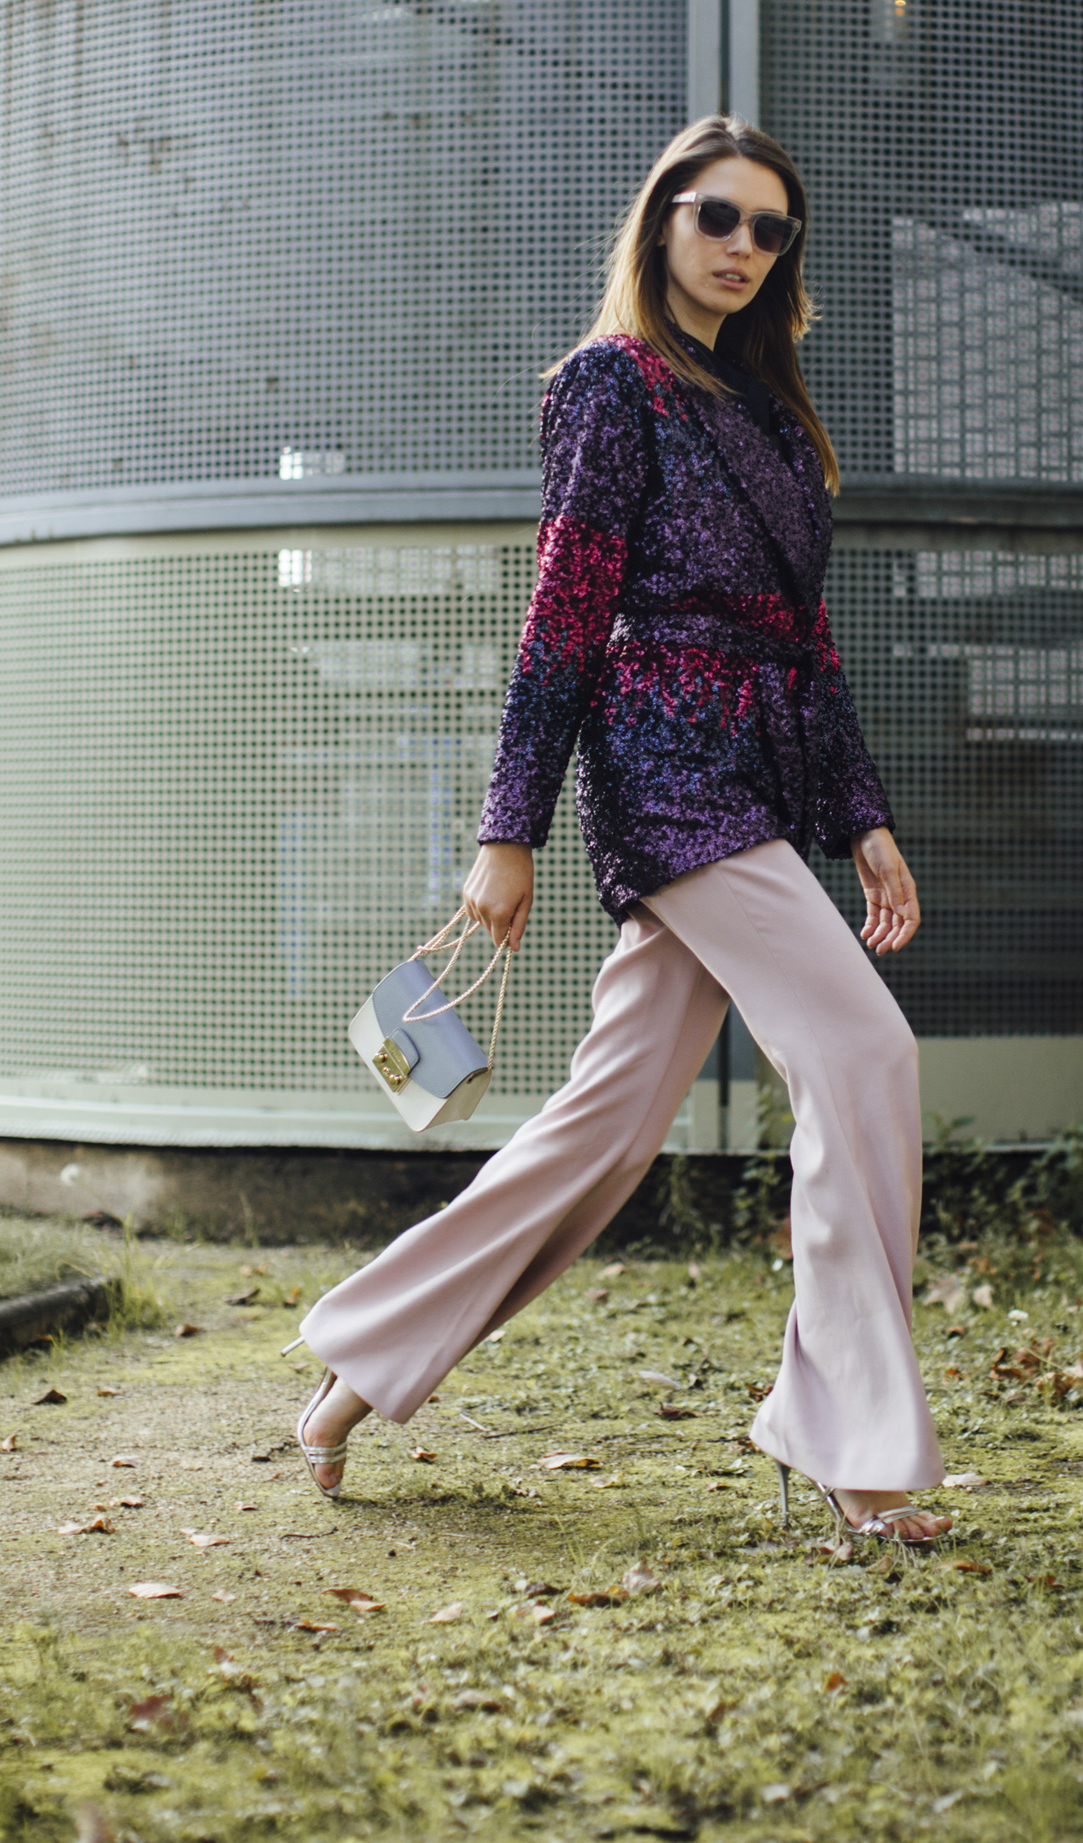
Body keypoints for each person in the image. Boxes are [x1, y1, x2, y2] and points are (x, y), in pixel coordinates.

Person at [292, 115, 952, 1544]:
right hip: (669, 775)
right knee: (865, 1051)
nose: (742, 246)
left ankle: (360, 1365)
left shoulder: (773, 416)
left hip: (762, 775)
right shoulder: (611, 385)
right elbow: (564, 614)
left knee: (603, 1130)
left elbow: (809, 642)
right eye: (718, 215)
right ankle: (849, 1439)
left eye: (771, 229)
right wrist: (509, 827)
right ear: (662, 221)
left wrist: (864, 818)